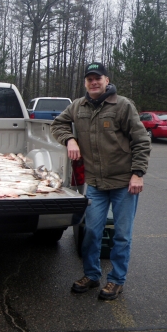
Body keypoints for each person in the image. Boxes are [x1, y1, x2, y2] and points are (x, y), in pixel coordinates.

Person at [50, 62, 151, 300]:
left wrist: (138, 173)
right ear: (85, 82)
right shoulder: (78, 106)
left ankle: (116, 280)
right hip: (95, 184)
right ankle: (92, 276)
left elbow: (141, 140)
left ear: (107, 80)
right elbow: (58, 124)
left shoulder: (122, 105)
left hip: (124, 183)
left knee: (122, 235)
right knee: (92, 233)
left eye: (98, 78)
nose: (94, 82)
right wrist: (70, 140)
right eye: (89, 79)